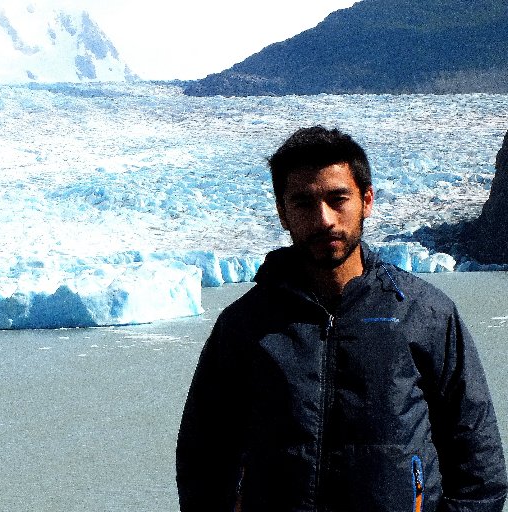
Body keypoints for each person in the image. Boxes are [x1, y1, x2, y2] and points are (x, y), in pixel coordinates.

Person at [176, 126, 507, 512]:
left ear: (366, 201)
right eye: (302, 202)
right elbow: (203, 459)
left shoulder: (425, 314)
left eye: (338, 199)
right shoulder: (245, 326)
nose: (324, 219)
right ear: (283, 212)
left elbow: (479, 465)